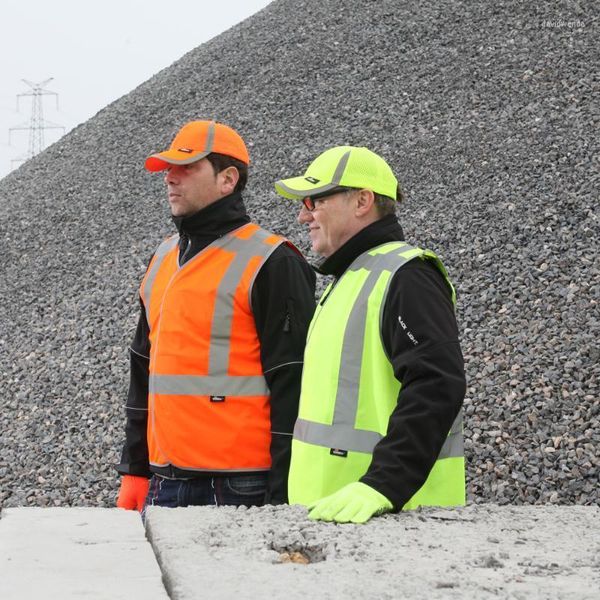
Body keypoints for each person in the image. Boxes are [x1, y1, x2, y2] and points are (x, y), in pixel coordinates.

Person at [115, 120, 316, 512]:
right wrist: (135, 468)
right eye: (168, 169)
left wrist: (283, 493)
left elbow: (294, 380)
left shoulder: (272, 261)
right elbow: (143, 368)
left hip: (240, 486)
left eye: (186, 167)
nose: (170, 178)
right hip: (163, 480)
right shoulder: (162, 258)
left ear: (227, 179)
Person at [274, 145, 466, 523]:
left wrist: (383, 484)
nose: (302, 215)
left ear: (362, 200)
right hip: (332, 514)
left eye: (314, 201)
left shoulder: (408, 277)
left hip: (395, 519)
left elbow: (437, 384)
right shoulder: (347, 280)